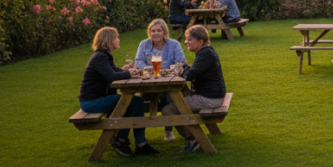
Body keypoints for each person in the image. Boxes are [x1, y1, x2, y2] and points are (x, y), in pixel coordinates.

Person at [77, 27, 158, 157]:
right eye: (116, 37)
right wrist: (128, 73)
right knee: (136, 102)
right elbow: (111, 77)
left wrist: (125, 70)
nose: (119, 40)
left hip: (98, 98)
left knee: (129, 105)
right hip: (92, 102)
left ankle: (122, 139)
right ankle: (138, 143)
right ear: (109, 40)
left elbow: (114, 71)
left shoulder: (104, 55)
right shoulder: (100, 57)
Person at [161, 25, 226, 153]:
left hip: (210, 98)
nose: (186, 42)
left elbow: (189, 76)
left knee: (168, 110)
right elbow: (192, 72)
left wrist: (181, 70)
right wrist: (183, 69)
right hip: (212, 95)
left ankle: (193, 138)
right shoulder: (206, 52)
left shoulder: (205, 54)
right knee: (177, 98)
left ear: (200, 42)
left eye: (189, 39)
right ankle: (190, 135)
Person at [135, 18, 187, 141]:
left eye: (159, 30)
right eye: (153, 31)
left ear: (164, 32)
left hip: (170, 81)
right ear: (149, 33)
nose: (156, 33)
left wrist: (165, 70)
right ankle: (140, 138)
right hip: (149, 82)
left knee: (171, 97)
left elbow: (181, 62)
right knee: (137, 101)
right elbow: (138, 62)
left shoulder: (174, 44)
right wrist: (153, 70)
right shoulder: (144, 44)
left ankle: (168, 130)